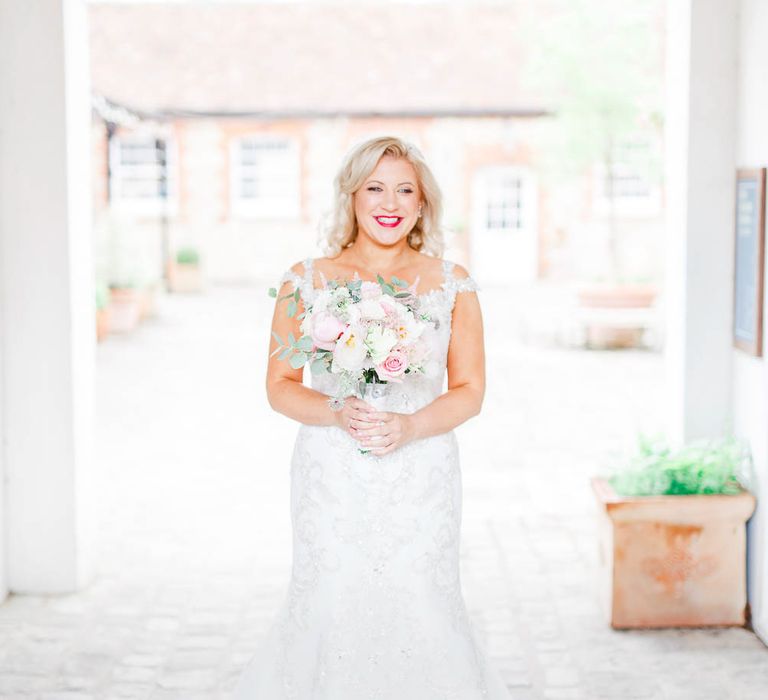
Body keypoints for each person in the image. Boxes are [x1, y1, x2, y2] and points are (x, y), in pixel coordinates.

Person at [233, 136, 511, 699]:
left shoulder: (453, 282)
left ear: (422, 202)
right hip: (332, 472)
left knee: (423, 596)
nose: (391, 202)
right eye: (376, 187)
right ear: (353, 197)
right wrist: (335, 410)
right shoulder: (305, 279)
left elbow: (470, 390)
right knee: (329, 593)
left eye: (405, 189)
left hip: (422, 468)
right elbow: (279, 388)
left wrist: (410, 426)